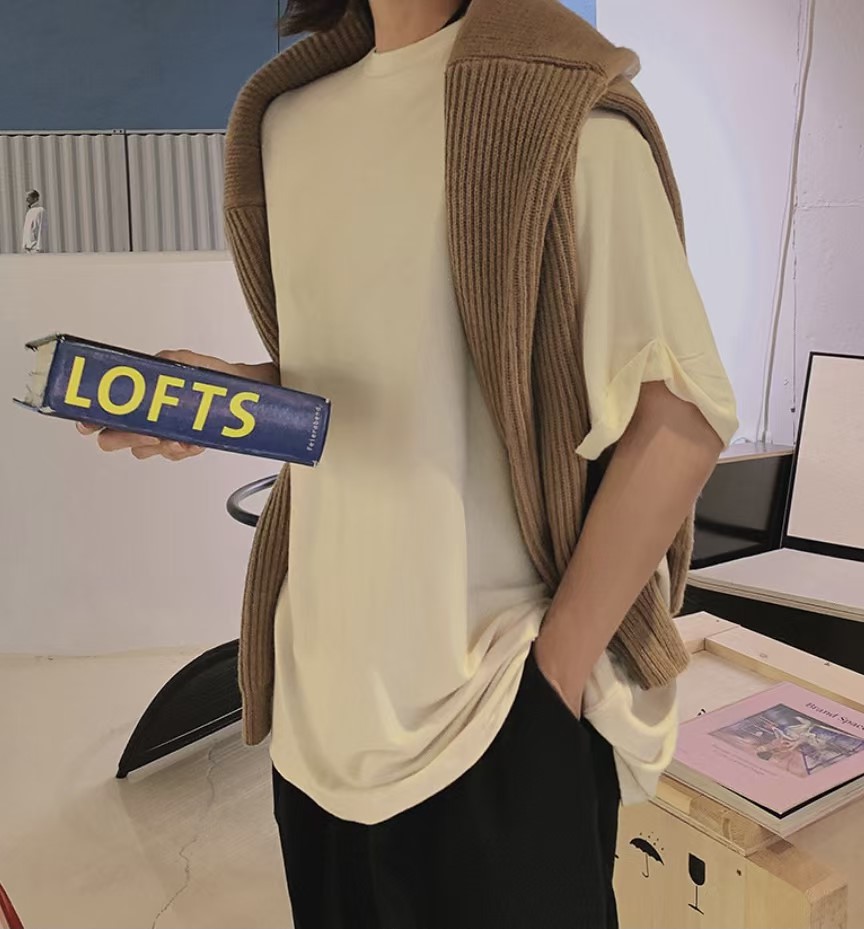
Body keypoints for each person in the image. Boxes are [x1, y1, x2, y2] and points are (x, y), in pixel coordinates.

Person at [78, 0, 738, 925]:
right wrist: (231, 394)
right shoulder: (287, 121)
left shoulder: (560, 109)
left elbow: (680, 414)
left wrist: (551, 676)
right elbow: (365, 382)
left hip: (496, 710)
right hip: (316, 713)